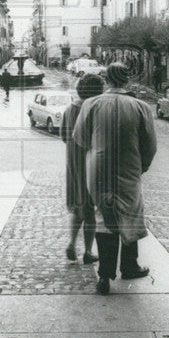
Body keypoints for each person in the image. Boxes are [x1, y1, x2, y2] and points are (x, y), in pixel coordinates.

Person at [73, 61, 157, 295]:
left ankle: (104, 276)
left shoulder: (91, 104)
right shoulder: (141, 107)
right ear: (127, 79)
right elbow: (150, 144)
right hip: (130, 167)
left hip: (99, 168)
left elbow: (79, 138)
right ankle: (130, 266)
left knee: (104, 215)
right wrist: (142, 166)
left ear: (107, 79)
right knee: (130, 212)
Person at [62, 73, 104, 264]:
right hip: (89, 161)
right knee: (90, 210)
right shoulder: (93, 110)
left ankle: (71, 243)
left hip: (72, 162)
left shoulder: (69, 109)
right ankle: (87, 251)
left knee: (77, 207)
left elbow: (63, 136)